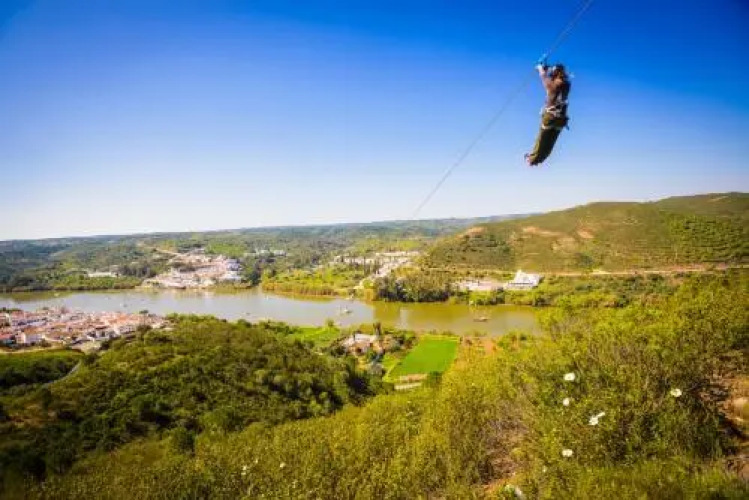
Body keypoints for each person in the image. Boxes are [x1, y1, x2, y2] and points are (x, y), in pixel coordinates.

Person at [525, 62, 571, 166]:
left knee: (541, 140)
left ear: (554, 74)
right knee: (551, 142)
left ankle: (532, 159)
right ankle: (539, 159)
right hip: (561, 119)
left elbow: (543, 76)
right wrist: (549, 69)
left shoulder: (551, 85)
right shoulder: (567, 85)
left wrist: (540, 68)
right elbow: (558, 76)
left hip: (550, 117)